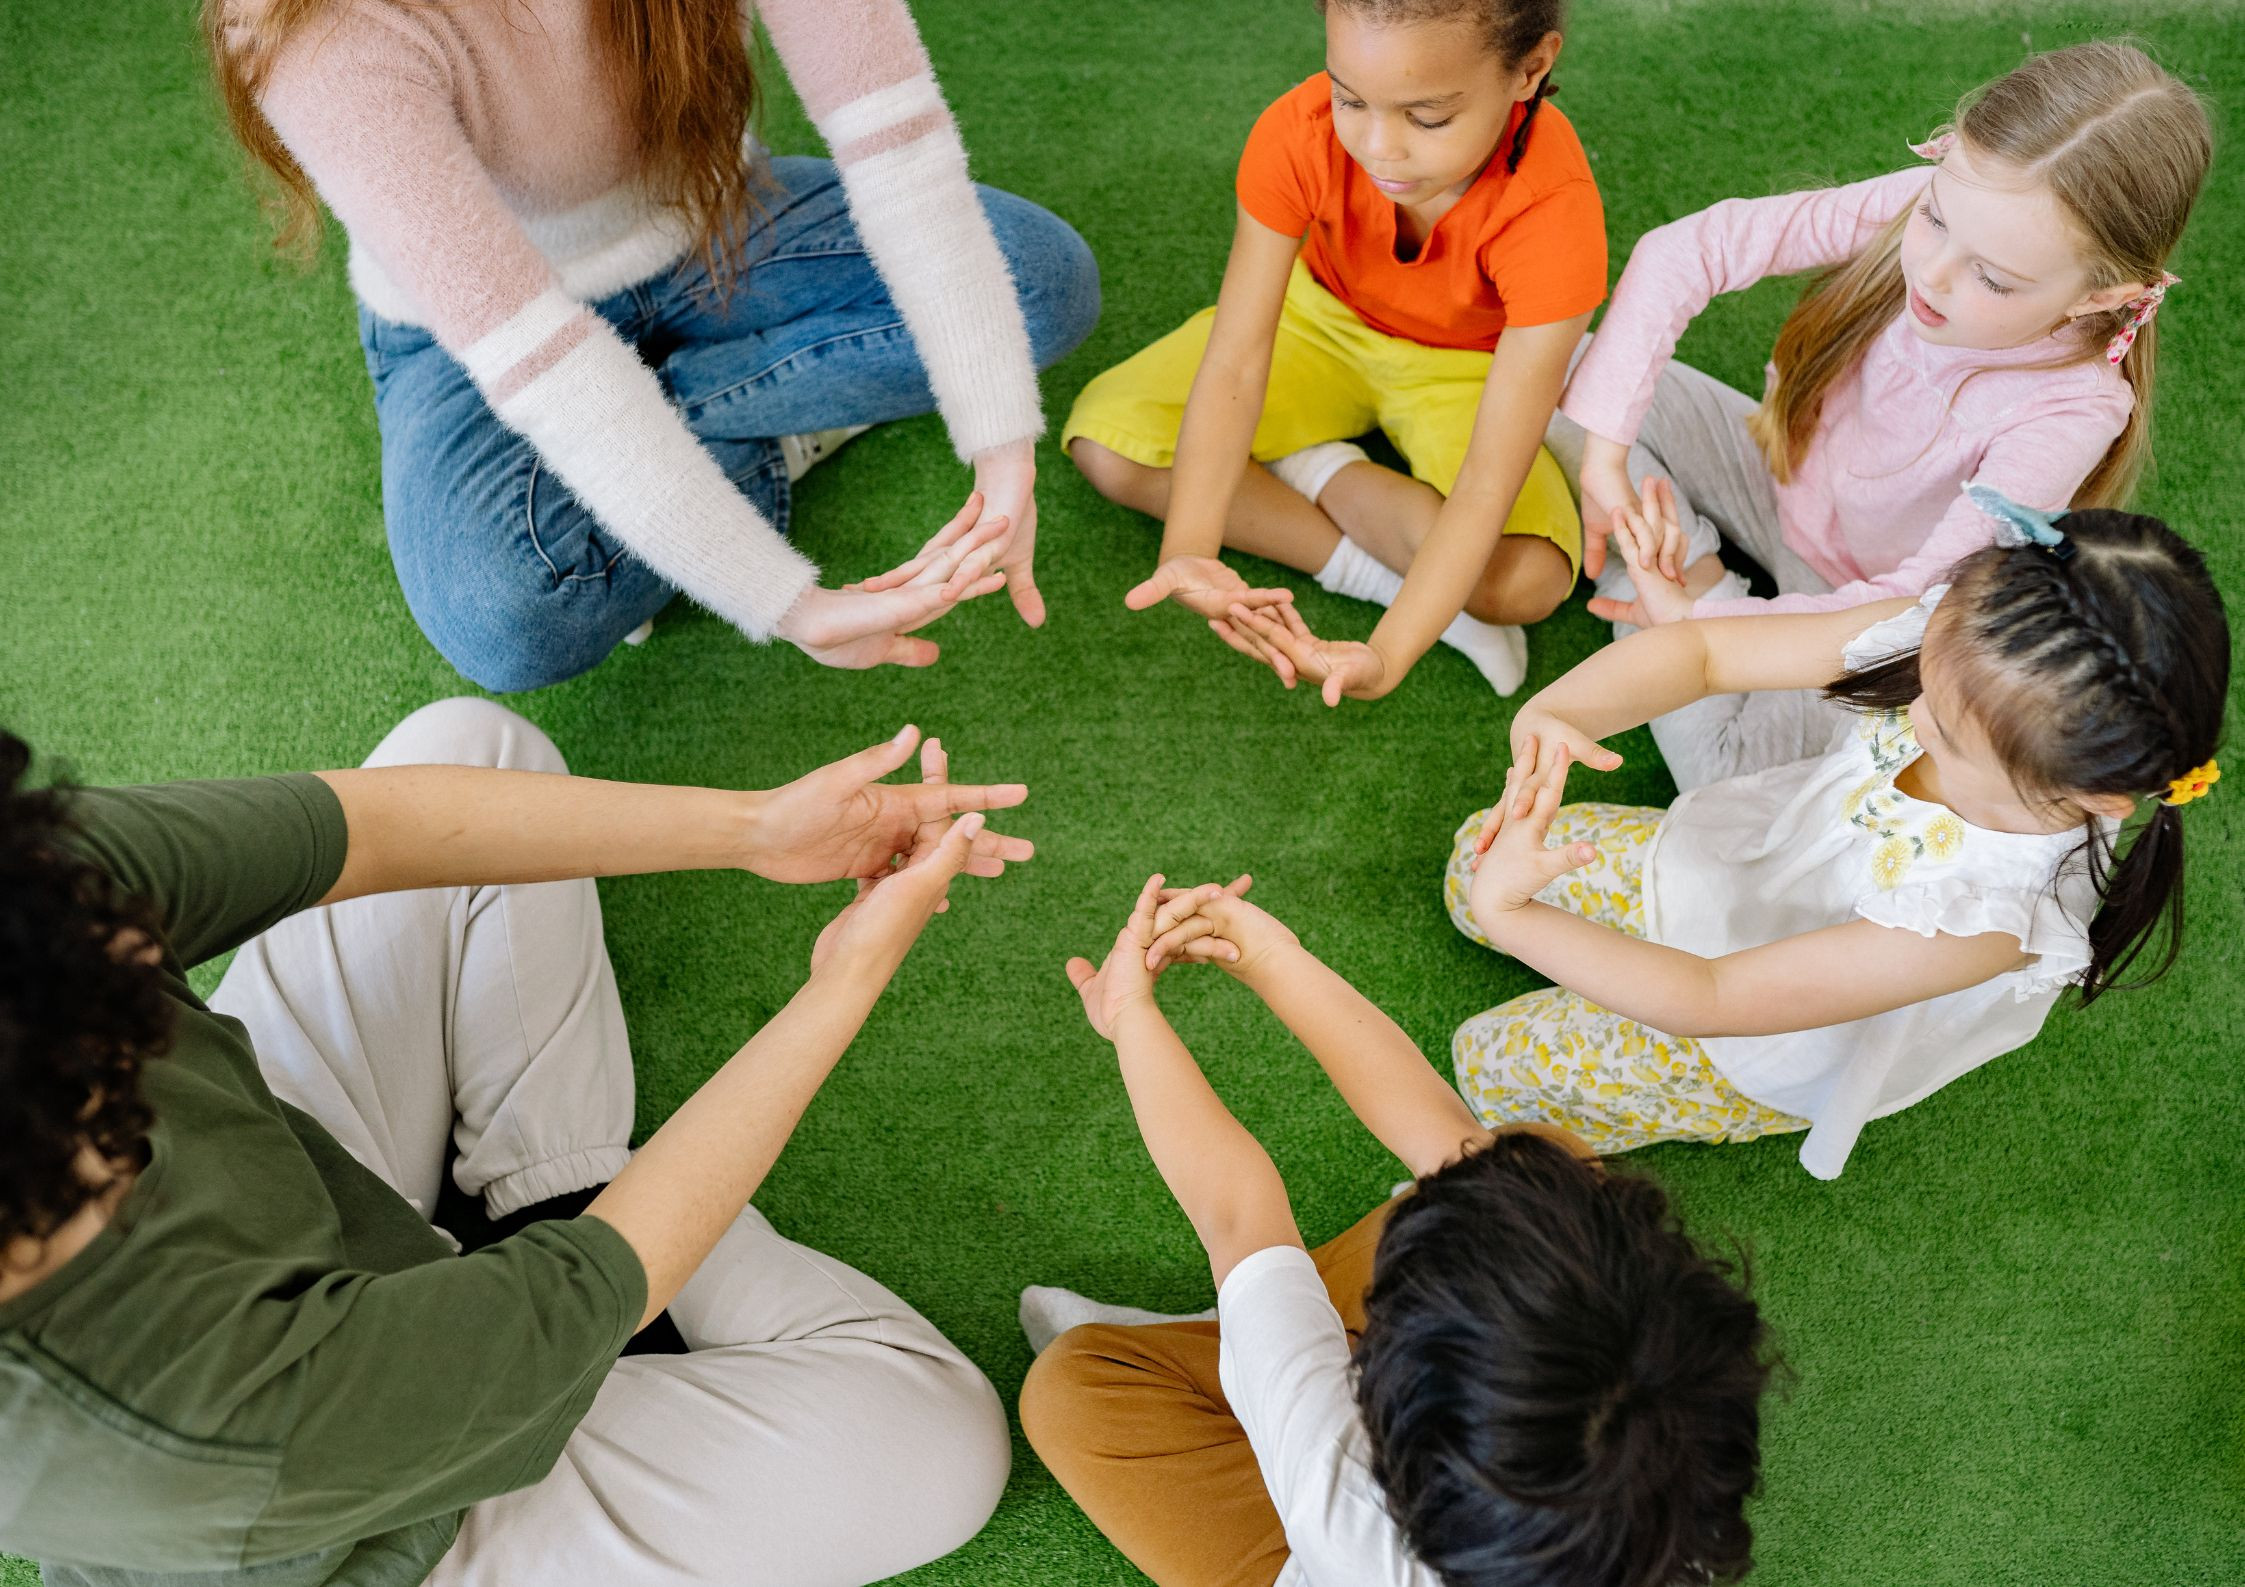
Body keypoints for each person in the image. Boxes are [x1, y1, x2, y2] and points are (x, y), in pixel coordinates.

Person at [0, 699, 1035, 1586]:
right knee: (940, 1442)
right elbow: (577, 1290)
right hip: (376, 1520)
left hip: (313, 1213)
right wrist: (841, 984)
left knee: (469, 743)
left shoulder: (32, 905)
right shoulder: (204, 1433)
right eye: (117, 1050)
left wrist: (760, 827)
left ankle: (551, 1184)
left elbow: (358, 831)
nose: (144, 948)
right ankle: (566, 1198)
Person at [203, 0, 1102, 691]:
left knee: (1040, 287)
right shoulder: (303, 25)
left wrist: (999, 439)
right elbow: (542, 360)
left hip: (710, 221)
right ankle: (762, 431)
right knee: (505, 618)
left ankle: (667, 474)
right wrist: (787, 604)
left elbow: (895, 140)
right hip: (478, 334)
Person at [1018, 874, 1774, 1587]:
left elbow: (1236, 1211)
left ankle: (1237, 1337)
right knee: (1537, 1169)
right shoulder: (1660, 1483)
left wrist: (1130, 1017)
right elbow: (1446, 1138)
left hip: (1303, 1543)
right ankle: (1254, 1330)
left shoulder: (1336, 1492)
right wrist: (1270, 957)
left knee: (1070, 1389)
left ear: (1379, 1410)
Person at [1444, 493, 2226, 1180]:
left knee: (1491, 1063)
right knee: (1470, 862)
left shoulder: (1989, 917)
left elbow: (1711, 995)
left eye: (1948, 737)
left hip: (1747, 1035)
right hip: (1737, 861)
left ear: (2093, 795)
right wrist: (1557, 715)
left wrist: (1518, 916)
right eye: (1925, 671)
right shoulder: (1966, 637)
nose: (1913, 713)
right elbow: (1707, 653)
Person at [1542, 38, 2210, 788]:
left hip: (1866, 613)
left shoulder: (2074, 409)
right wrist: (1604, 461)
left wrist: (1707, 630)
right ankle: (1686, 567)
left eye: (1991, 279)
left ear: (2099, 297)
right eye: (1932, 218)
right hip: (1776, 473)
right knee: (1566, 371)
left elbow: (1914, 603)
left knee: (1719, 771)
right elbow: (1687, 250)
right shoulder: (1959, 204)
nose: (1930, 272)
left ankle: (1693, 587)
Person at [1068, 0, 1605, 706]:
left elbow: (1485, 481)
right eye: (1348, 98)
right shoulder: (1297, 129)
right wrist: (1190, 549)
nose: (1377, 147)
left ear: (1530, 69)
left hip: (1466, 365)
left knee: (1524, 581)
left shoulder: (1553, 216)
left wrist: (1386, 656)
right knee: (1109, 447)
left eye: (1427, 117)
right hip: (1315, 319)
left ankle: (1311, 467)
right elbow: (1237, 358)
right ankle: (1374, 566)